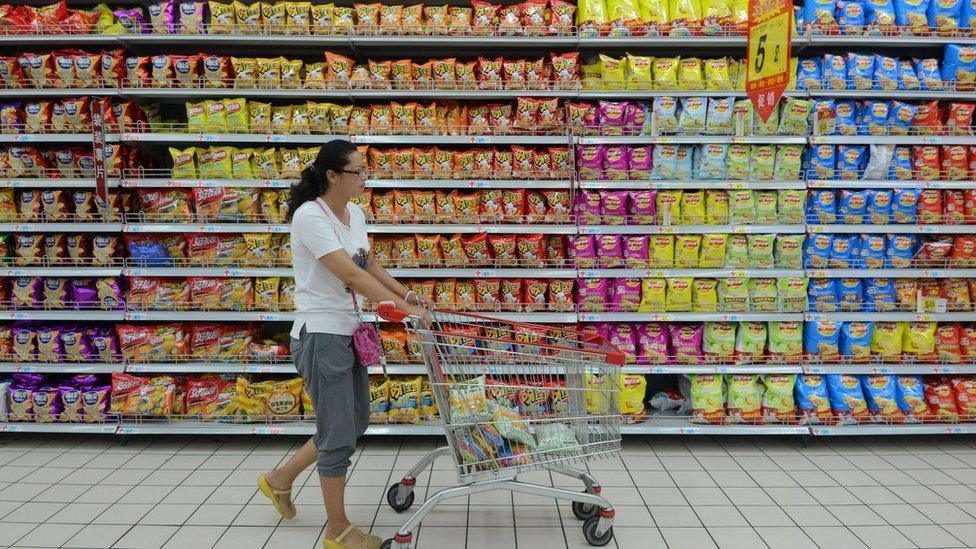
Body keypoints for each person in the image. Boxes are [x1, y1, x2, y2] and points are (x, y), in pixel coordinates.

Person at [258, 140, 431, 549]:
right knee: (338, 437)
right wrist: (401, 312)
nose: (364, 178)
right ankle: (338, 531)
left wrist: (407, 296)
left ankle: (279, 479)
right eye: (357, 171)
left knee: (352, 423)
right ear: (332, 175)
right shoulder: (309, 217)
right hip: (321, 337)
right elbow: (350, 278)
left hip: (348, 333)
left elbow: (366, 263)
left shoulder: (352, 211)